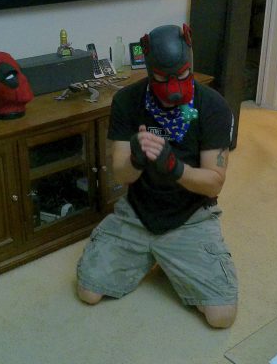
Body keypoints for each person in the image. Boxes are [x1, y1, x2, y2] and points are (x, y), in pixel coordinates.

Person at [76, 24, 238, 329]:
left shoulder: (213, 106)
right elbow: (121, 174)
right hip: (138, 212)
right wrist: (137, 158)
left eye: (182, 76)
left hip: (191, 216)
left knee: (221, 316)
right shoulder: (127, 100)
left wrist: (174, 167)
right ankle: (159, 256)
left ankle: (168, 256)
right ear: (149, 71)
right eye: (163, 79)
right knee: (89, 292)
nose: (173, 88)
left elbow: (214, 183)